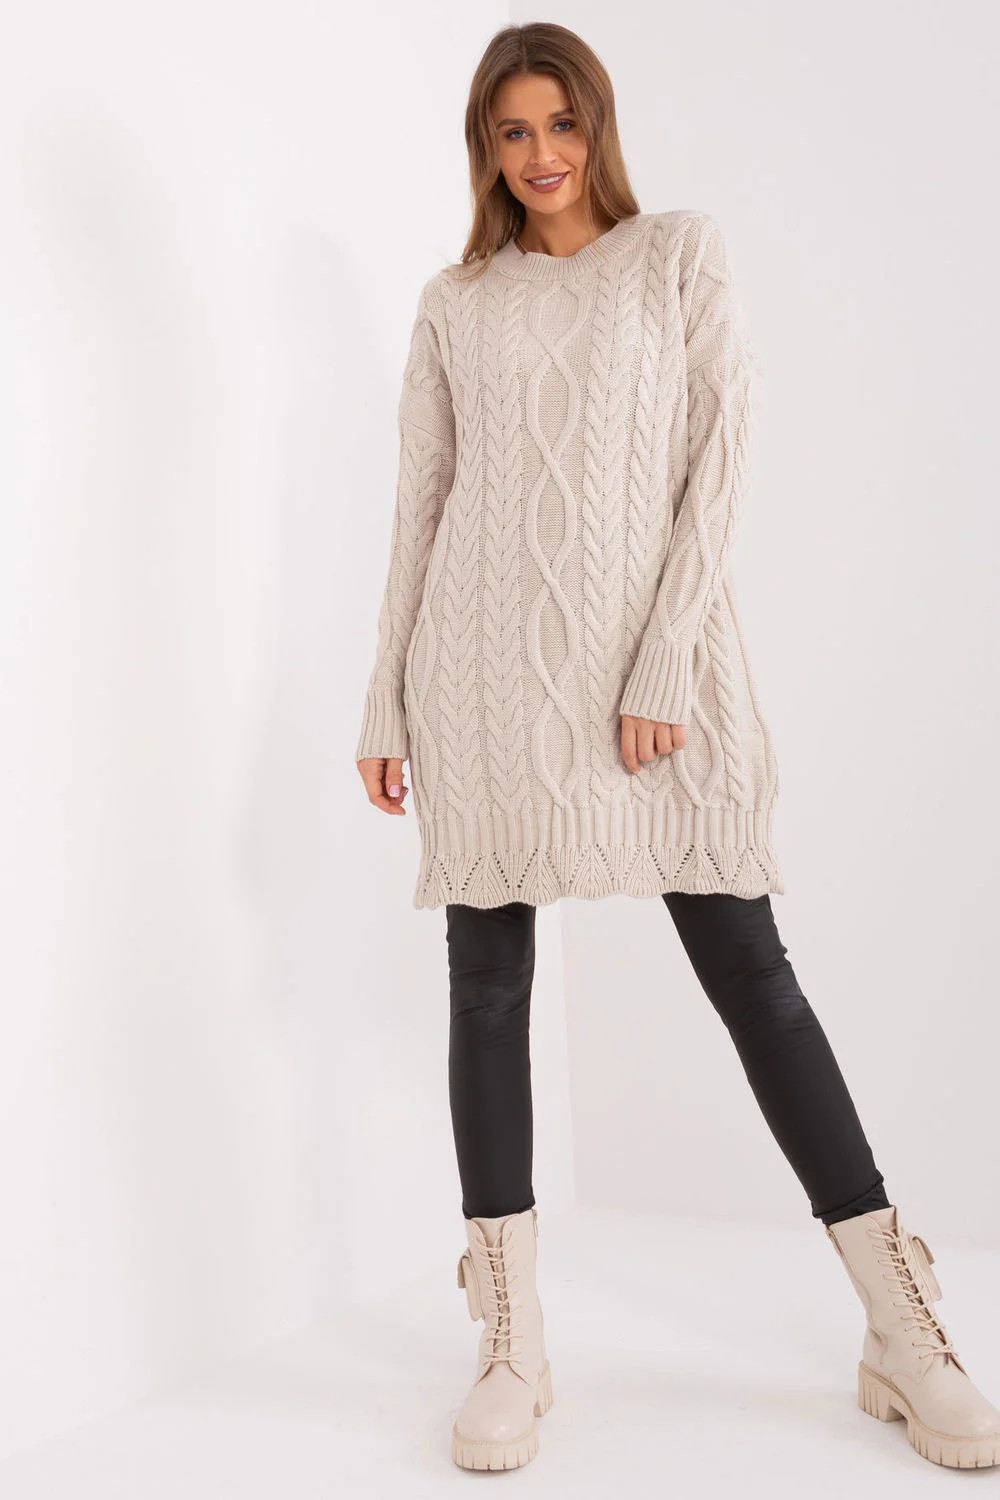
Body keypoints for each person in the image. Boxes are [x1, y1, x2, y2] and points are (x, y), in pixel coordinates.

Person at [355, 20, 1000, 1476]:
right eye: (511, 131)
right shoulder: (458, 303)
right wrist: (384, 698)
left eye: (561, 122)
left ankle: (901, 1325)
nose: (540, 155)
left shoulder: (676, 258)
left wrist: (663, 659)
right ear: (485, 150)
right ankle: (511, 1340)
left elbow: (723, 461)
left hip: (654, 681)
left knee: (754, 979)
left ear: (599, 125)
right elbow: (421, 501)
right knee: (487, 988)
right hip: (478, 682)